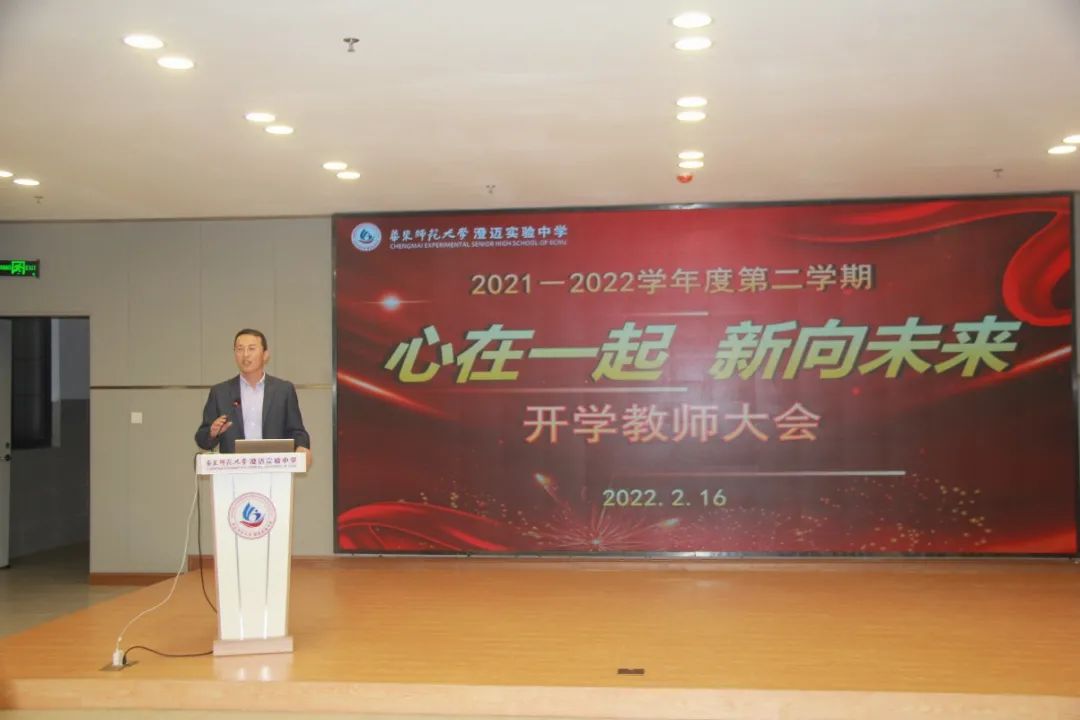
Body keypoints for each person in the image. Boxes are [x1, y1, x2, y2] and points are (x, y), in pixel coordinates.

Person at [195, 328, 312, 467]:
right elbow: (202, 439)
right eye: (240, 349)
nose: (245, 355)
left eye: (251, 349)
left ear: (265, 355)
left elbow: (297, 431)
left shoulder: (283, 390)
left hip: (274, 469)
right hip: (232, 471)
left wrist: (301, 447)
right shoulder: (220, 393)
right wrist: (212, 433)